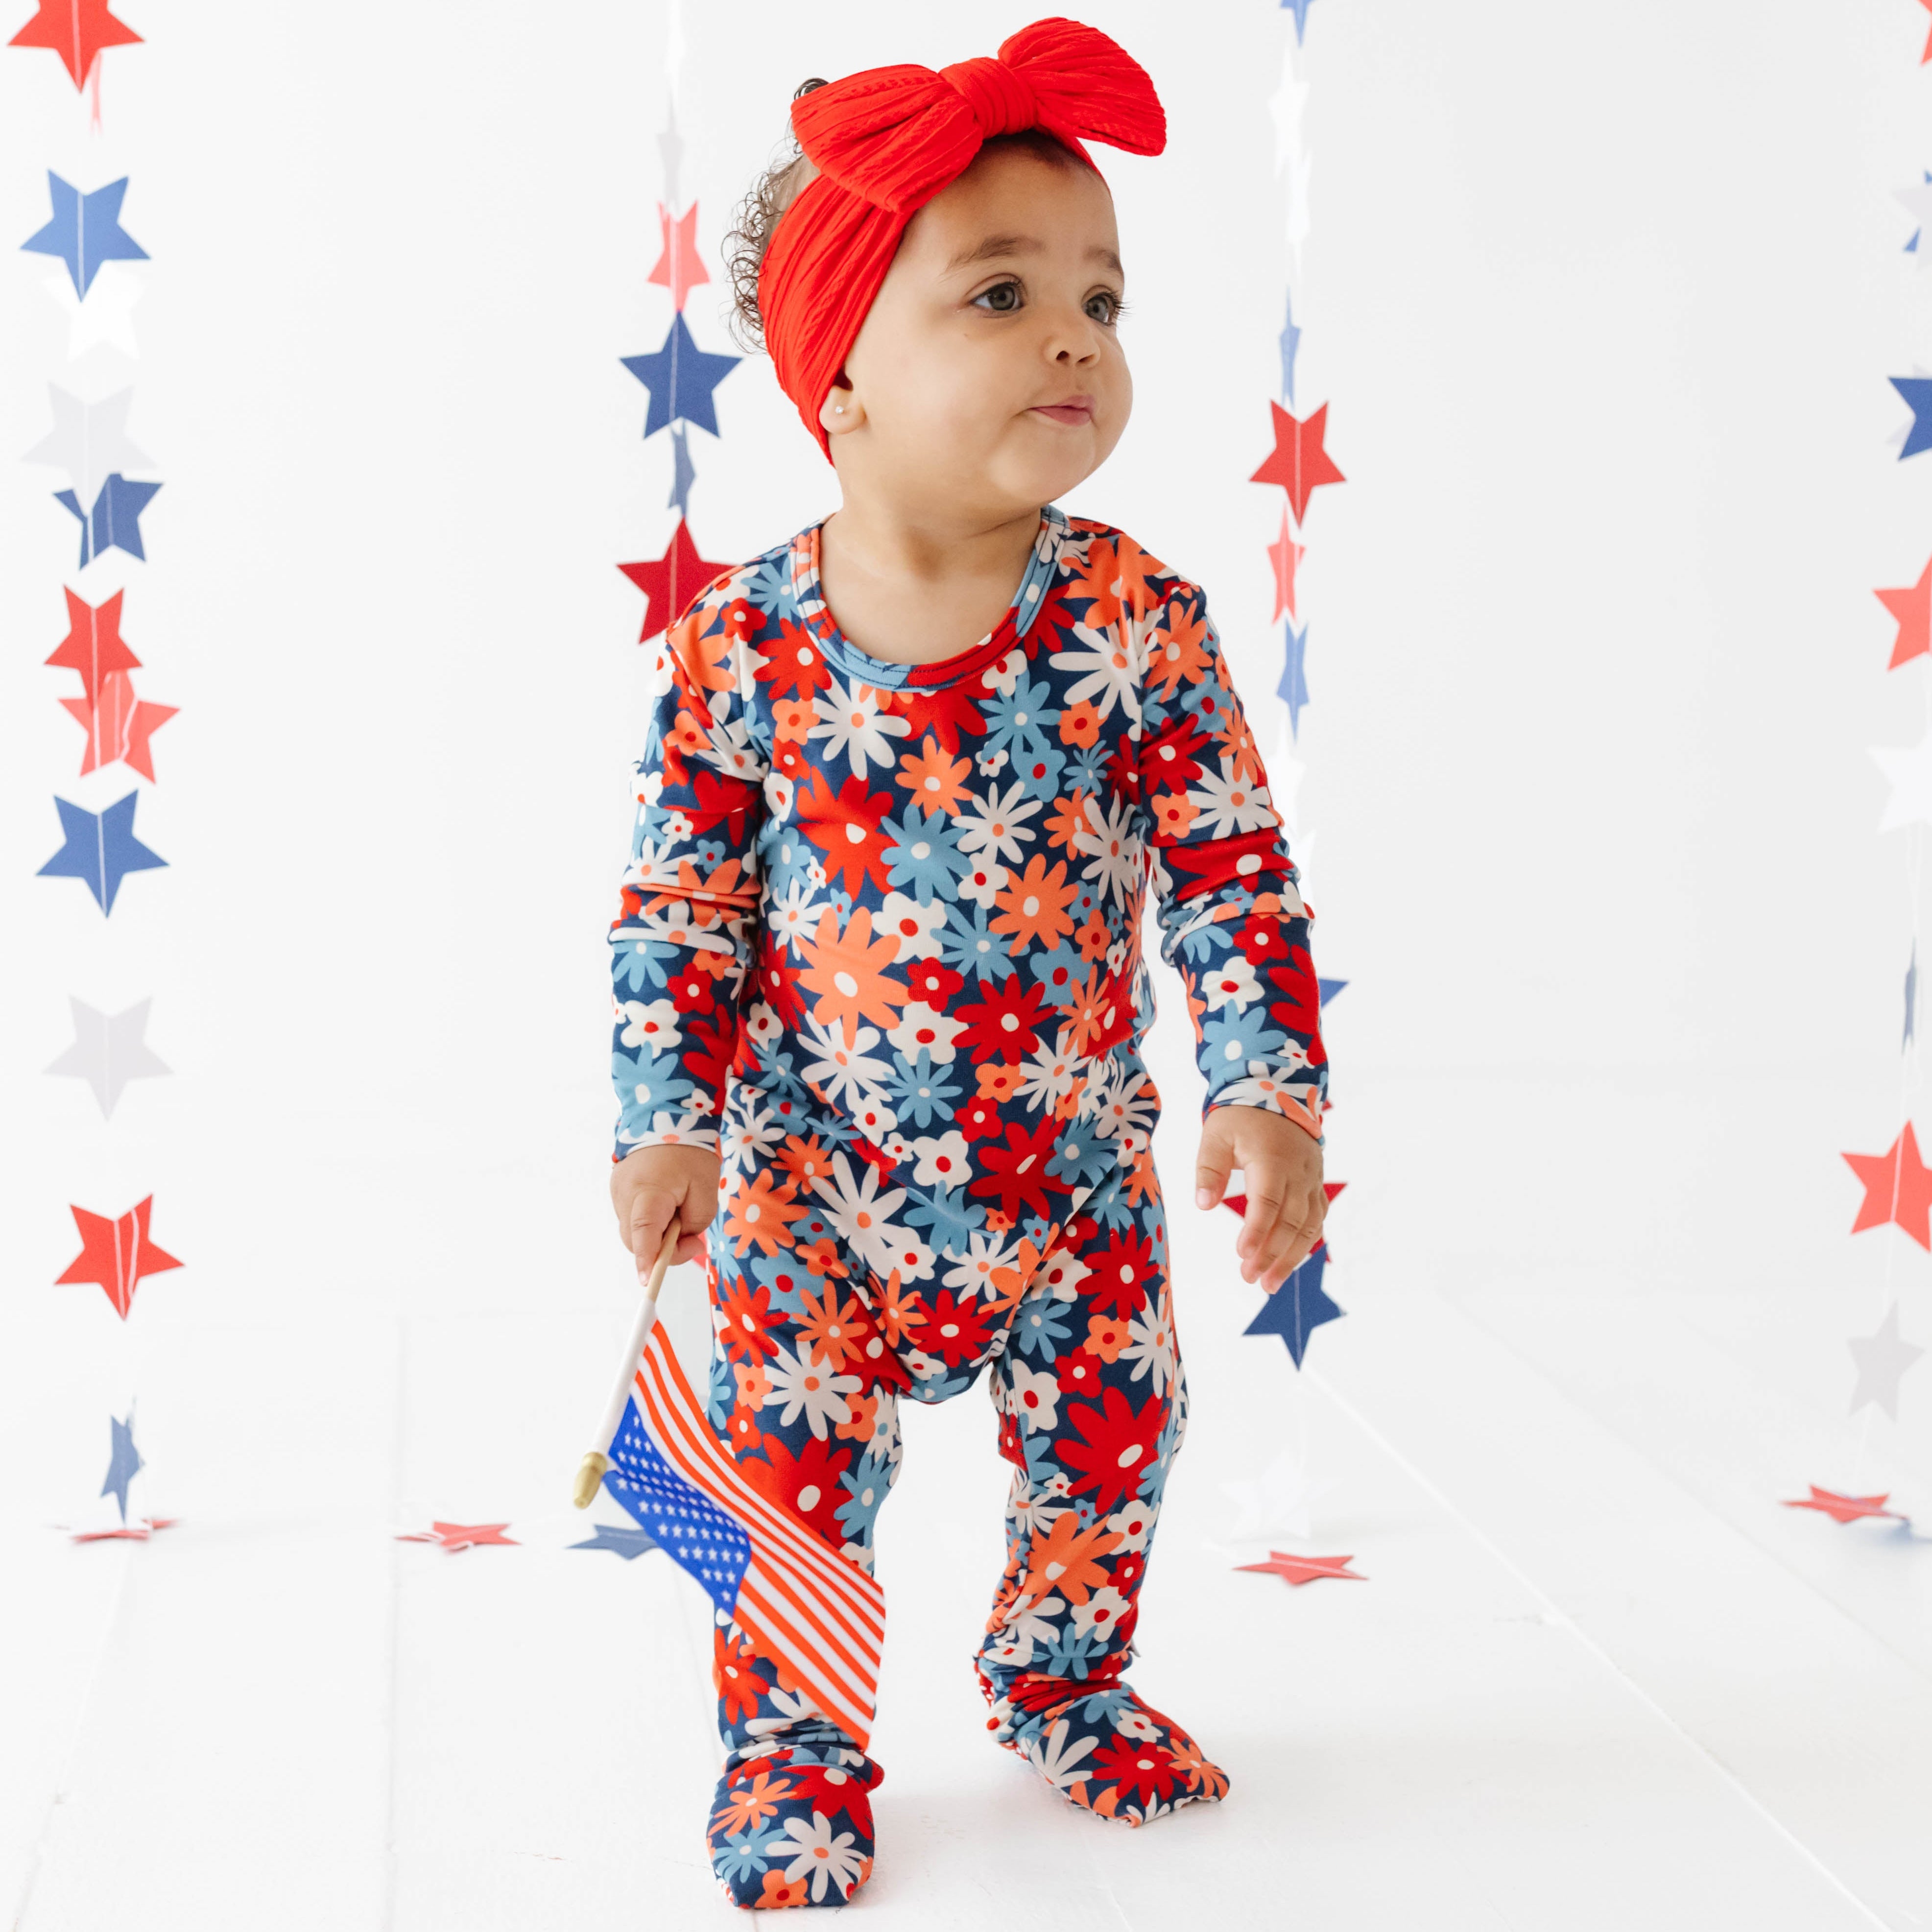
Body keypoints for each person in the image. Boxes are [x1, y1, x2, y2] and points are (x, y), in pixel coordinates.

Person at [605, 18, 1330, 1909]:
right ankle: (792, 1743)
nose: (1075, 335)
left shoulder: (1133, 620)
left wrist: (1265, 1085)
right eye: (999, 294)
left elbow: (1231, 870)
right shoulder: (739, 650)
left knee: (1114, 1431)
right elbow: (680, 909)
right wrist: (665, 1118)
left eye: (1099, 293)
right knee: (791, 1485)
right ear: (835, 373)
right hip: (811, 1194)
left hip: (1066, 1178)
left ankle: (1063, 1671)